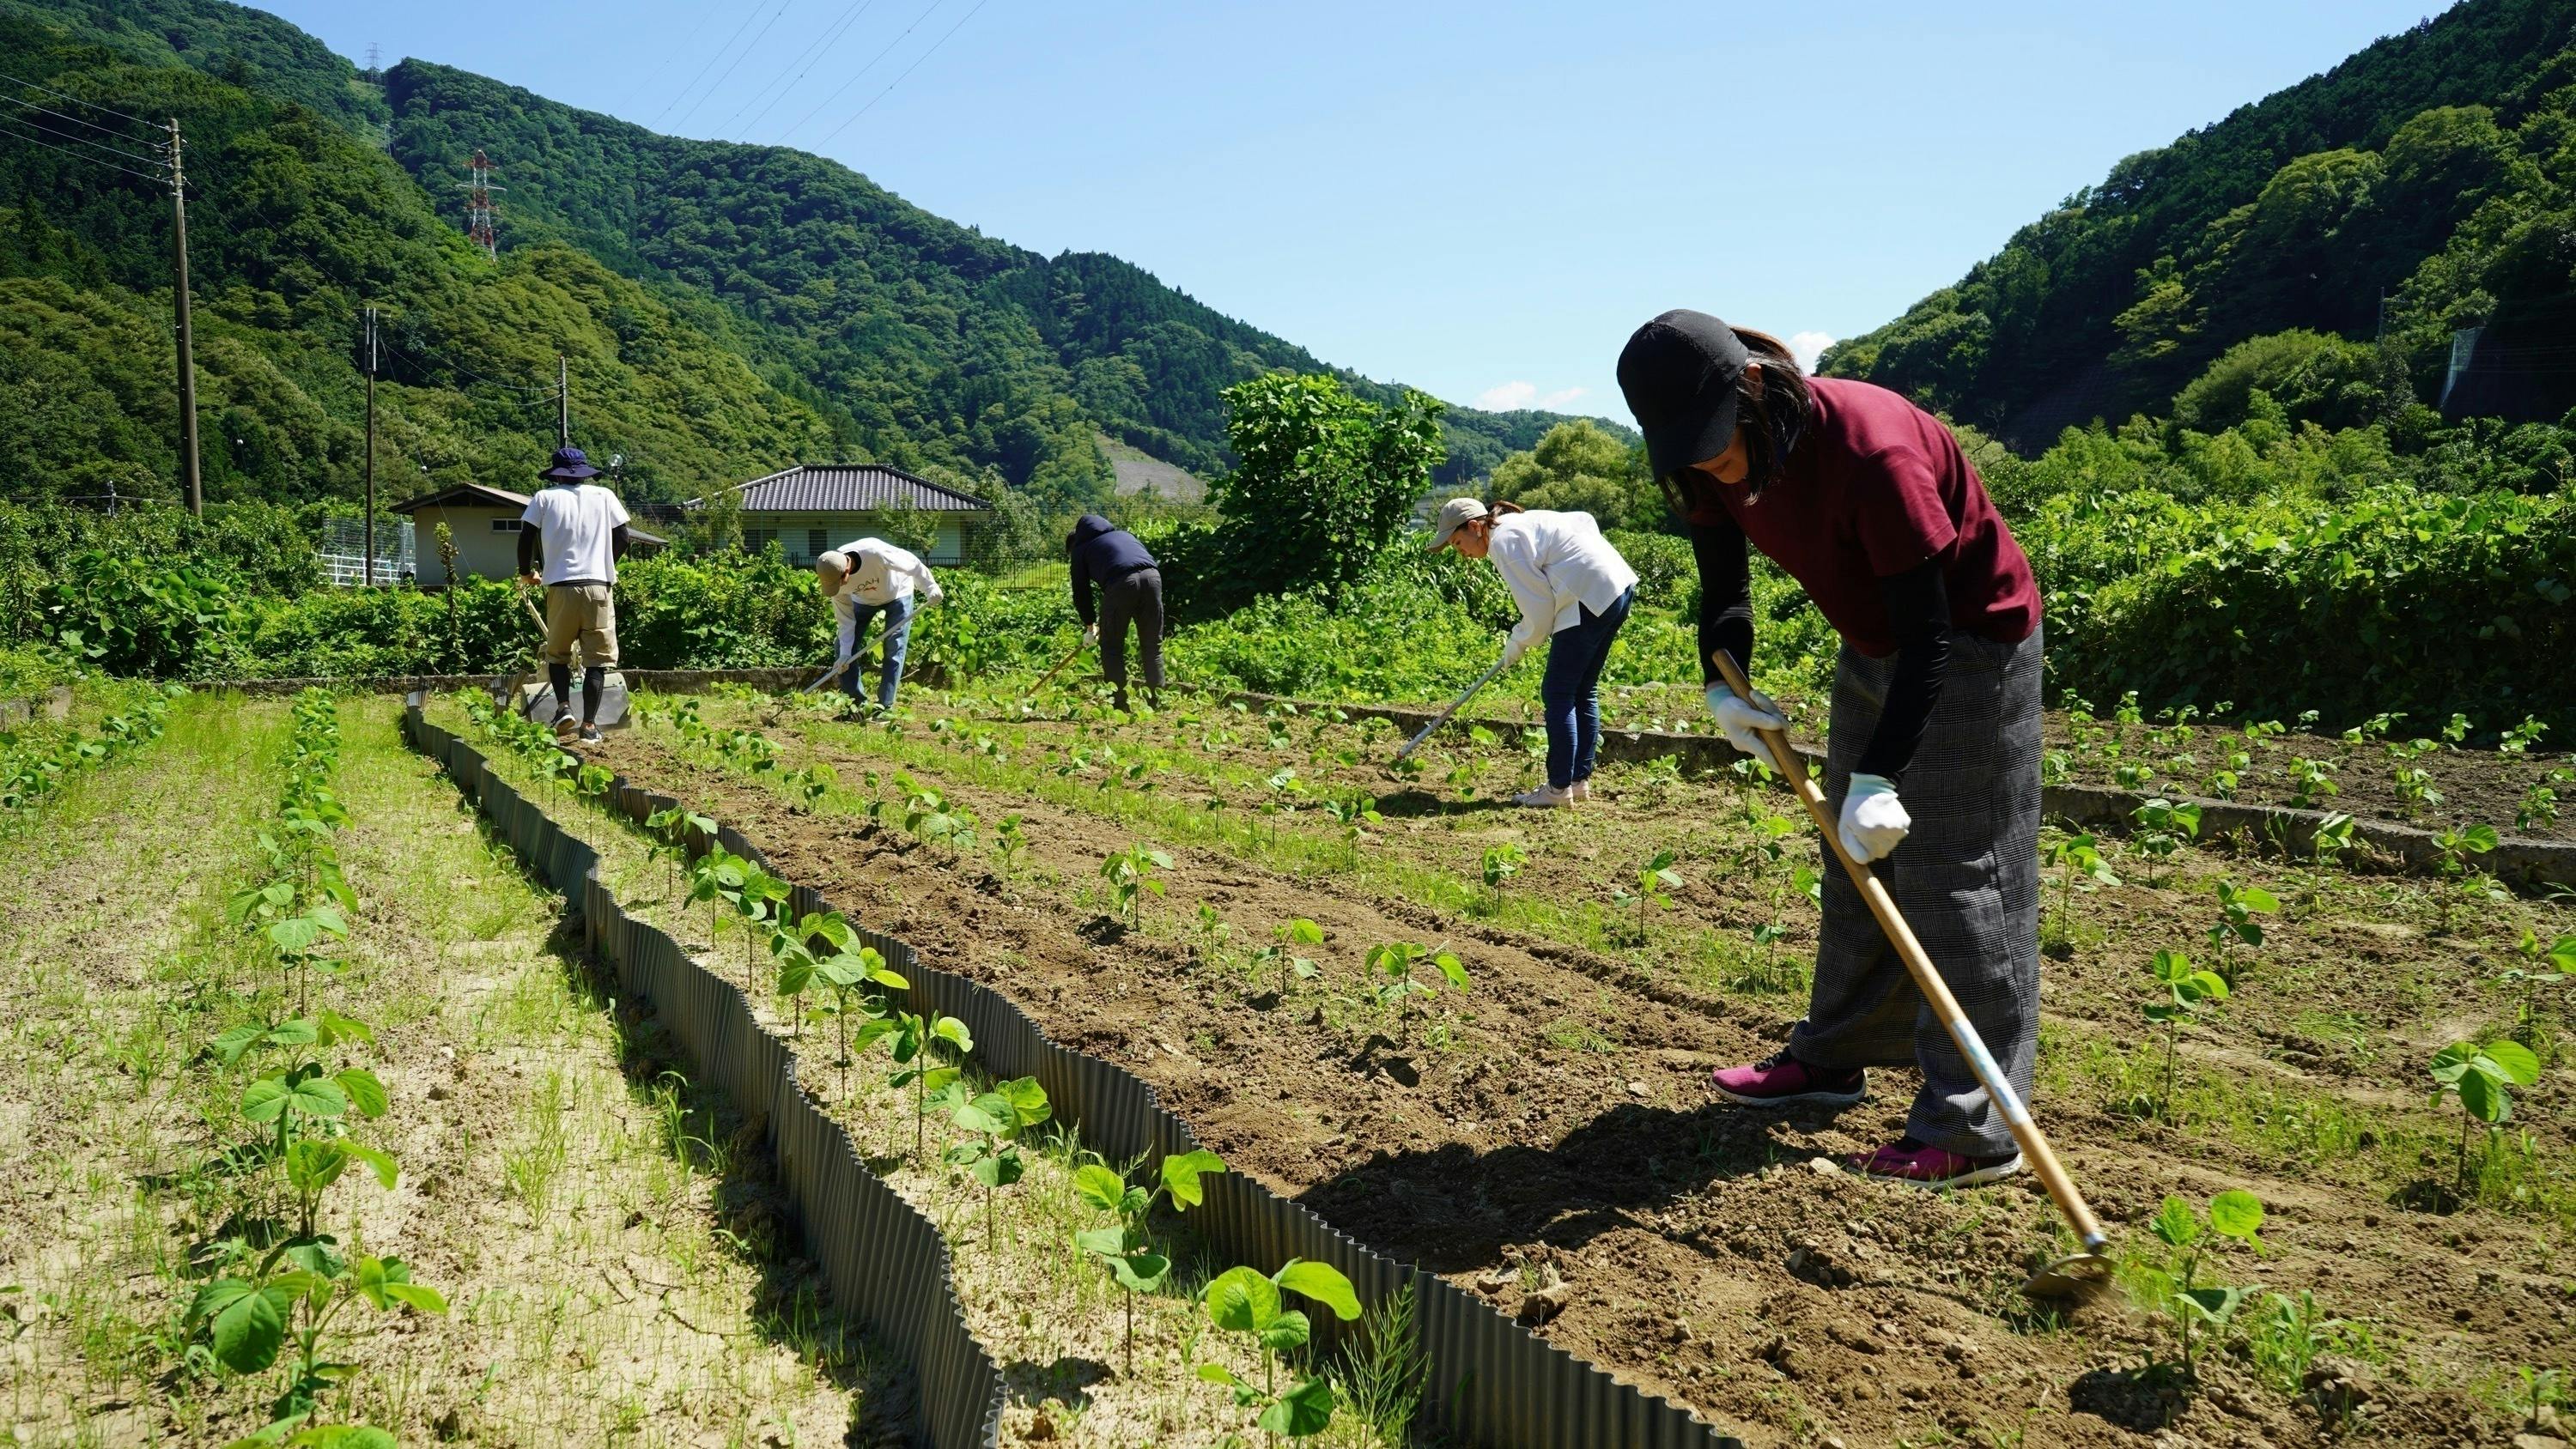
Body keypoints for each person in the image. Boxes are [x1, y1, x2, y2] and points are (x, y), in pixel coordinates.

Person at [1617, 308, 2044, 1190]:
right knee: (1852, 855)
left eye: (1717, 443)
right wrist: (1720, 681)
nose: (1712, 465)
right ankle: (1834, 1057)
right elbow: (1725, 586)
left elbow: (1933, 634)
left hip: (1969, 641)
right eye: (1690, 453)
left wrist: (1882, 774)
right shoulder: (1701, 461)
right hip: (1875, 642)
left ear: (1753, 392)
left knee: (1958, 873)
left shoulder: (1871, 451)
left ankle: (1976, 1128)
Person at [1428, 497, 1637, 809]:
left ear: (1475, 526)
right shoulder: (1519, 524)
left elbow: (1539, 614)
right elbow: (1584, 518)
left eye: (1459, 543)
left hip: (1586, 596)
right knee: (1582, 690)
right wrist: (1524, 638)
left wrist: (1517, 643)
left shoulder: (1505, 541)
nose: (1463, 553)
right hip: (1617, 587)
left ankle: (1558, 788)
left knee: (1558, 692)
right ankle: (1577, 782)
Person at [516, 446, 631, 745]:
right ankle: (590, 726)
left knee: (557, 653)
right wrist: (605, 564)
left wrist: (526, 572)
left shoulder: (544, 498)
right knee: (597, 660)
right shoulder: (604, 495)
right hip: (598, 588)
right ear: (584, 472)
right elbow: (623, 537)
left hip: (561, 587)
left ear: (556, 473)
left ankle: (564, 707)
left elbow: (526, 537)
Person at [814, 537, 943, 715]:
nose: (839, 587)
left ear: (846, 571)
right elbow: (845, 620)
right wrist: (845, 652)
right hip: (862, 602)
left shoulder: (874, 553)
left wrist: (930, 587)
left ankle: (884, 707)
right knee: (843, 649)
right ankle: (856, 707)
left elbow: (912, 563)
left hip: (898, 594)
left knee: (894, 647)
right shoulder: (834, 581)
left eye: (840, 582)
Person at [1066, 513, 1164, 712]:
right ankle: (1157, 702)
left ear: (1074, 544)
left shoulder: (1081, 549)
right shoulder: (1124, 535)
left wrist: (1089, 625)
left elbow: (1081, 590)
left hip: (1121, 582)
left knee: (1111, 646)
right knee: (1153, 644)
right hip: (1153, 578)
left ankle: (1119, 704)